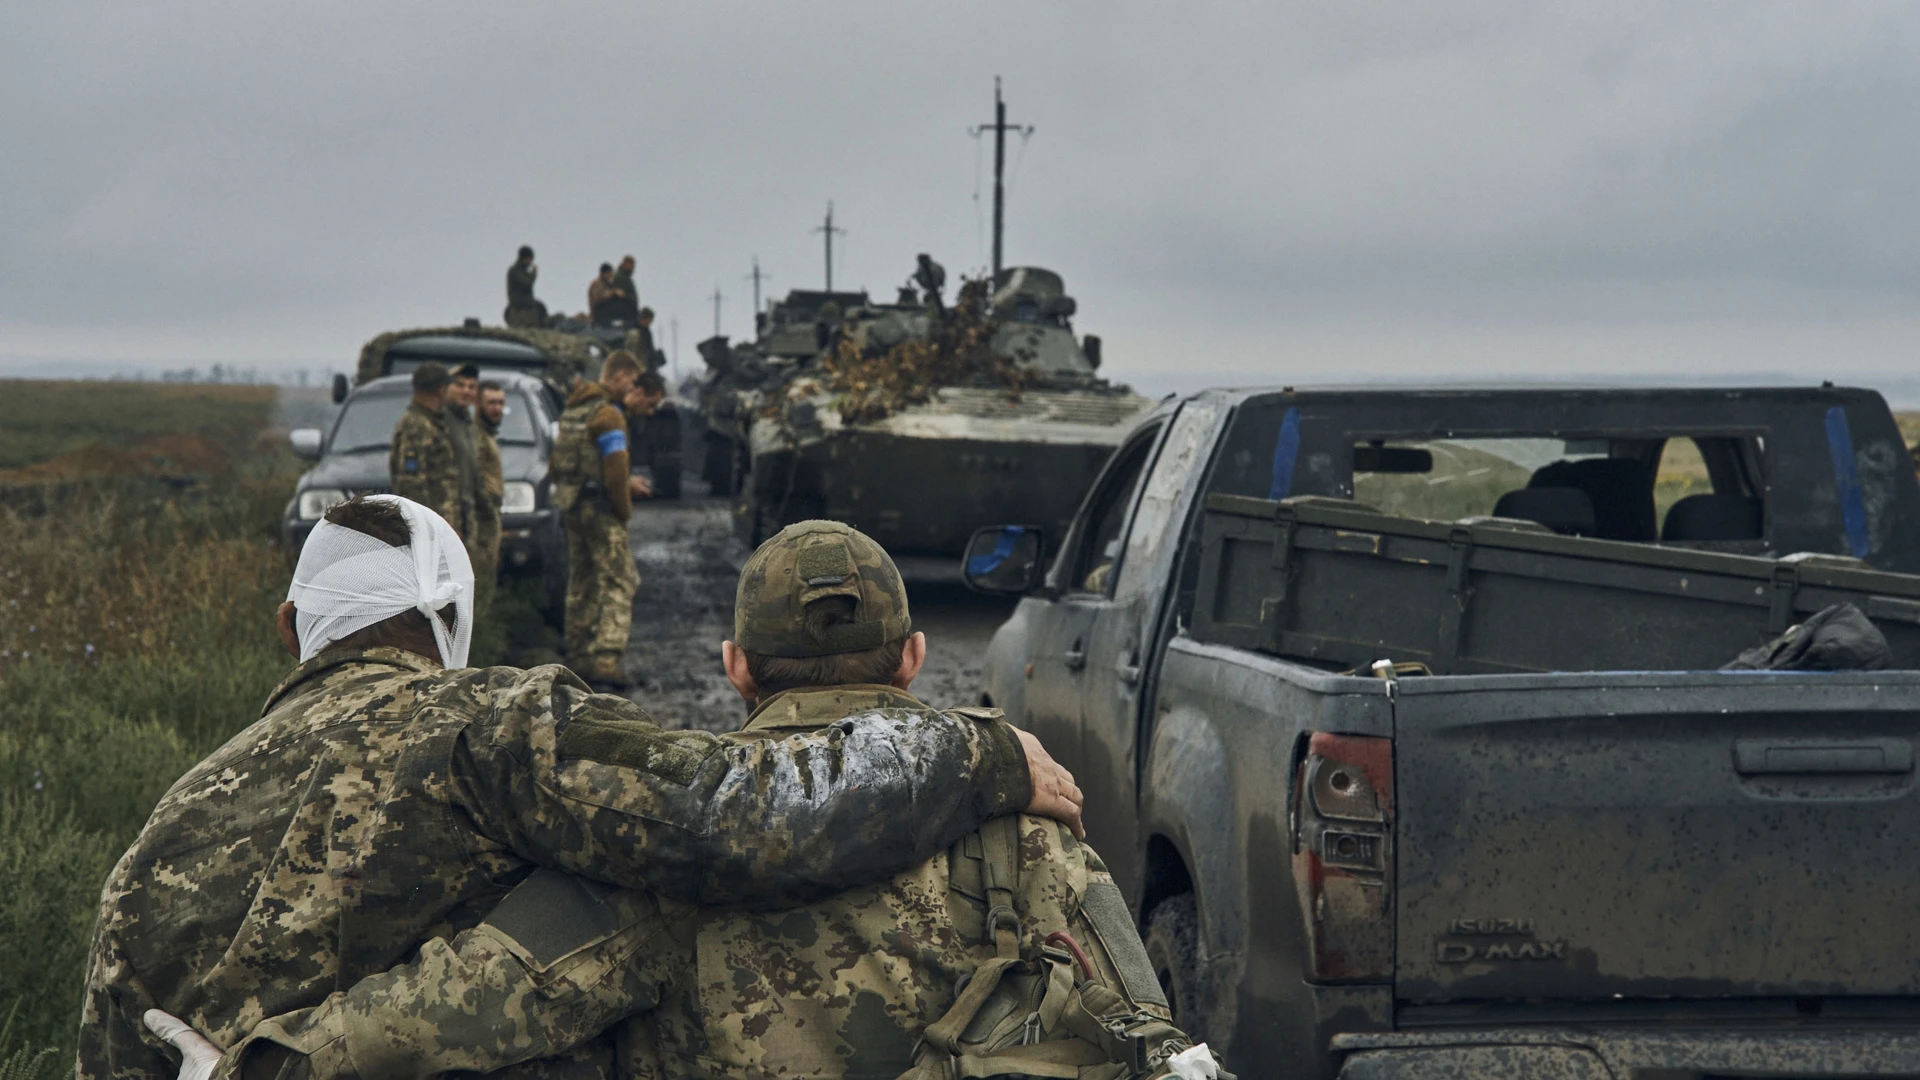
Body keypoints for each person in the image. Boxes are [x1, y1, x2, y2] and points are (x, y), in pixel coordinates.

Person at [149, 522, 1214, 1080]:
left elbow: (452, 1010)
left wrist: (261, 1066)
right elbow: (1146, 1033)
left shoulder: (659, 854)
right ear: (917, 657)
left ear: (736, 668)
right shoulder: (1026, 817)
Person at [552, 351, 650, 686]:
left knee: (582, 579)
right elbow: (614, 470)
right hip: (601, 509)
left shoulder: (574, 409)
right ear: (620, 376)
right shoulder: (609, 415)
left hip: (573, 505)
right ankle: (607, 657)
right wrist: (624, 508)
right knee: (621, 579)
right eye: (633, 381)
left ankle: (578, 653)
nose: (633, 388)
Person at [388, 363, 462, 530]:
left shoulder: (433, 422)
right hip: (431, 525)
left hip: (442, 522)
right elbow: (411, 482)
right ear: (441, 389)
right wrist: (424, 526)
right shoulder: (417, 426)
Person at [472, 379, 507, 607]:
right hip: (479, 517)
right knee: (480, 580)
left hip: (490, 513)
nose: (497, 408)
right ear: (478, 404)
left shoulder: (487, 433)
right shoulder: (475, 436)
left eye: (501, 403)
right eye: (491, 402)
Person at [444, 364, 484, 549]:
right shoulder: (441, 421)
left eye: (471, 387)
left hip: (468, 510)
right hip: (448, 512)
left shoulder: (469, 423)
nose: (466, 391)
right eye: (460, 385)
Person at [505, 245, 546, 328]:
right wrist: (533, 273)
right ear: (524, 258)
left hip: (527, 310)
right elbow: (527, 284)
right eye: (530, 259)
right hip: (519, 311)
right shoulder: (515, 271)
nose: (530, 262)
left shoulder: (523, 271)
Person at [588, 263, 623, 328]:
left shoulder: (607, 284)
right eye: (609, 273)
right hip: (598, 317)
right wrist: (614, 293)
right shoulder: (597, 284)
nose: (610, 276)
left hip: (607, 316)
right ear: (604, 273)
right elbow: (599, 298)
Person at [610, 255, 642, 324]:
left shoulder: (626, 277)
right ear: (625, 263)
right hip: (625, 314)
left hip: (630, 312)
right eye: (630, 264)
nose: (632, 267)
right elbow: (621, 295)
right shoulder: (620, 277)